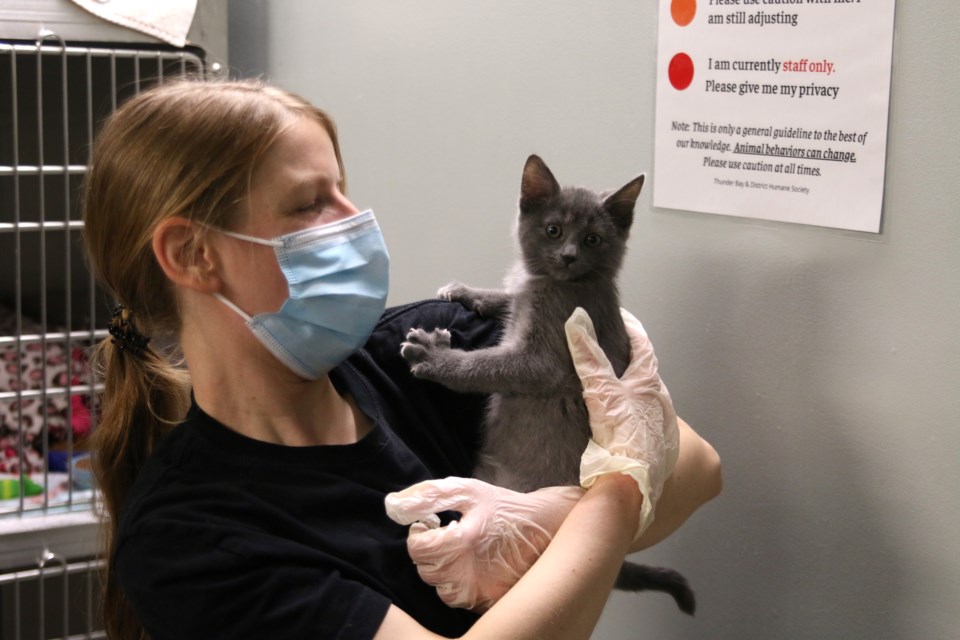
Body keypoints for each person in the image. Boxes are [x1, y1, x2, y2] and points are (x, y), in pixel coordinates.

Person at [82, 77, 722, 640]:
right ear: (194, 255)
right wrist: (612, 494)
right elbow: (649, 463)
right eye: (310, 203)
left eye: (343, 188)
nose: (355, 220)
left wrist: (554, 524)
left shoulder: (429, 350)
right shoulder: (191, 542)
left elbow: (698, 465)